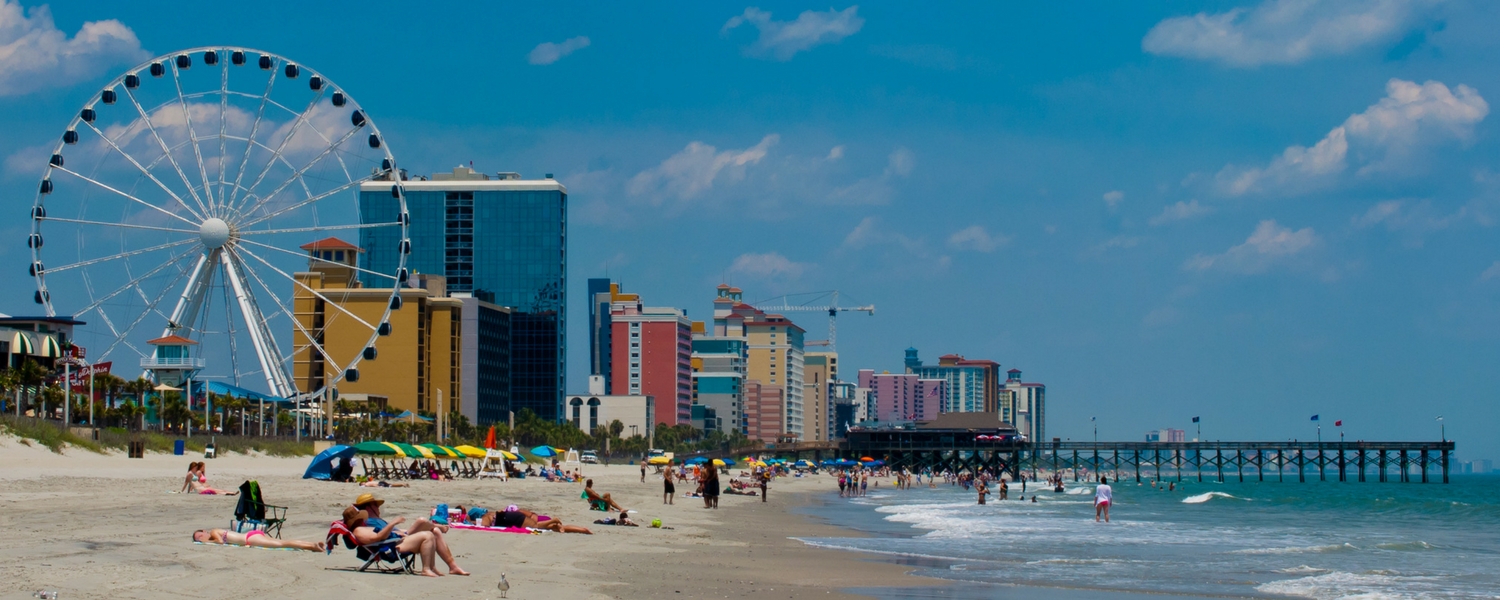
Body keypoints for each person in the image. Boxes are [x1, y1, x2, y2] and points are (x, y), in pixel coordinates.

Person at [352, 494, 468, 575]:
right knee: (423, 524)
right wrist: (394, 524)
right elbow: (379, 536)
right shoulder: (367, 523)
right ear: (368, 507)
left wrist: (399, 530)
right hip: (391, 545)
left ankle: (452, 566)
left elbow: (389, 532)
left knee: (434, 531)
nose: (379, 508)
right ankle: (427, 568)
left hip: (397, 538)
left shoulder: (378, 520)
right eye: (376, 506)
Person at [344, 507, 454, 577]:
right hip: (389, 548)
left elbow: (379, 536)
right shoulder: (358, 530)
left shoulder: (362, 528)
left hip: (393, 542)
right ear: (358, 519)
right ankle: (426, 569)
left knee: (429, 533)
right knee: (427, 536)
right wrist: (393, 523)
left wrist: (396, 533)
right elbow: (376, 538)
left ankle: (431, 567)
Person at [192, 528, 323, 551]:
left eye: (199, 535)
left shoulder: (214, 532)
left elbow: (220, 542)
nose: (200, 538)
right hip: (251, 535)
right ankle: (313, 544)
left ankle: (313, 546)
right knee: (282, 542)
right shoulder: (215, 532)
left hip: (250, 538)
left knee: (282, 543)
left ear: (204, 531)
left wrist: (206, 541)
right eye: (198, 539)